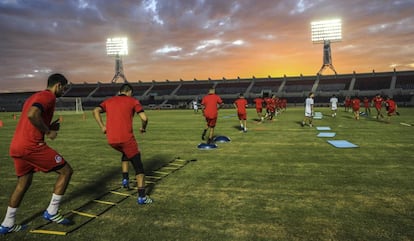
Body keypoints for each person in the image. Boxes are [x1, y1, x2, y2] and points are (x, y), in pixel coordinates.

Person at [0, 73, 74, 235]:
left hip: (17, 146)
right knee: (66, 171)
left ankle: (7, 223)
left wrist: (48, 125)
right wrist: (48, 132)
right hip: (32, 146)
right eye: (64, 88)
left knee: (23, 184)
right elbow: (32, 114)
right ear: (58, 86)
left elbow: (32, 117)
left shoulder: (34, 96)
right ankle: (52, 212)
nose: (64, 91)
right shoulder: (48, 97)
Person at [93, 83, 152, 205]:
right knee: (139, 167)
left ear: (120, 91)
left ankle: (125, 179)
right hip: (126, 139)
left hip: (111, 140)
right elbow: (144, 118)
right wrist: (143, 128)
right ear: (129, 91)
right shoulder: (133, 101)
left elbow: (95, 110)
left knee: (126, 153)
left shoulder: (109, 101)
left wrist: (102, 127)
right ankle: (142, 197)